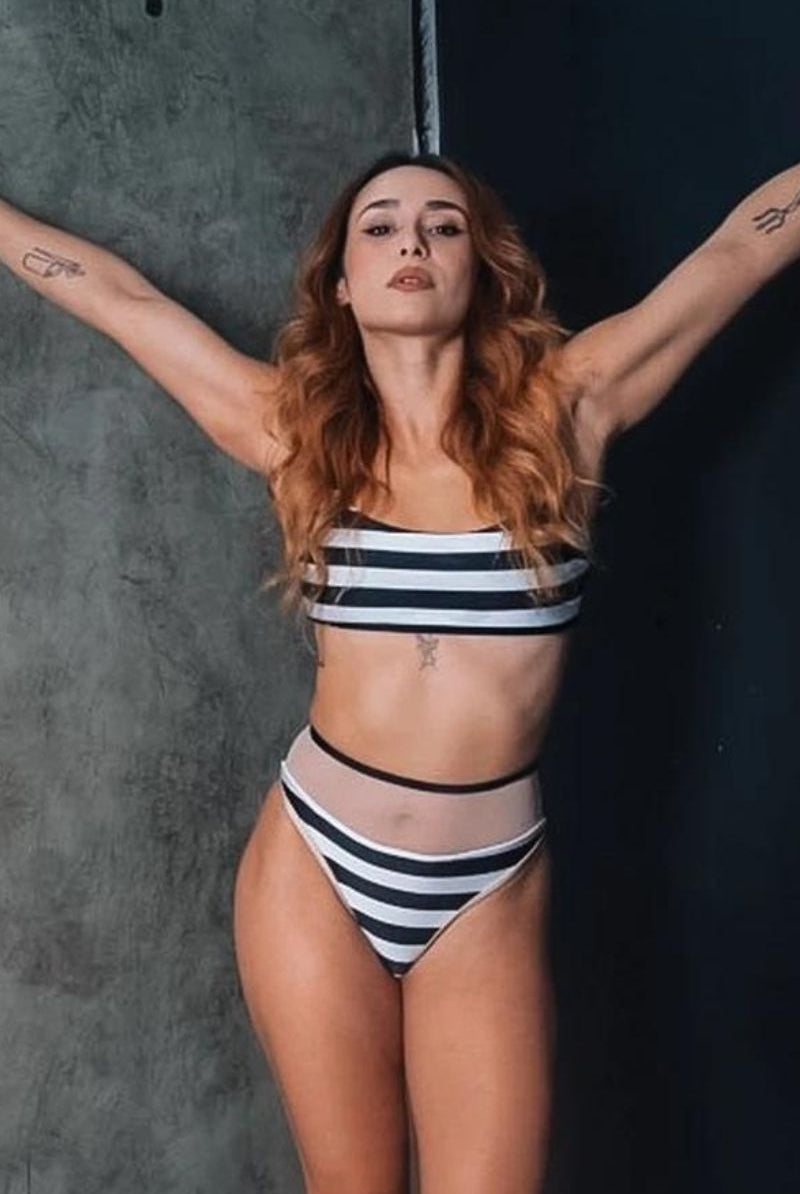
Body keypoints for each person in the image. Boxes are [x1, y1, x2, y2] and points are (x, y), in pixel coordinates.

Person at [2, 148, 797, 1194]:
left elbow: (740, 250)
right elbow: (122, 300)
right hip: (315, 864)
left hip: (488, 883)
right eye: (378, 226)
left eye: (442, 224)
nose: (411, 241)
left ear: (482, 268)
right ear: (341, 283)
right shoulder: (294, 433)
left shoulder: (569, 412)